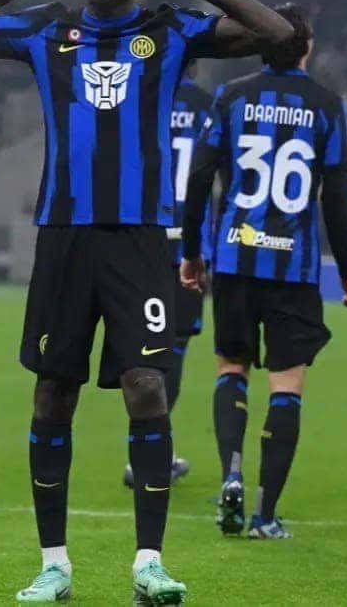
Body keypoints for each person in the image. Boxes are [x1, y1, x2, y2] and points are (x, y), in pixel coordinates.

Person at [0, 0, 293, 602]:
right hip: (63, 237)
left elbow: (277, 34)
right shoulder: (46, 29)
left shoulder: (171, 30)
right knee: (53, 393)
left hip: (139, 239)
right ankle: (54, 566)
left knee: (146, 386)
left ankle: (149, 565)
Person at [181, 3, 347, 540]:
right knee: (287, 385)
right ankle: (264, 514)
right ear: (306, 46)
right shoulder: (326, 106)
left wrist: (192, 250)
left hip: (235, 258)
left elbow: (199, 178)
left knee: (231, 368)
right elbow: (338, 197)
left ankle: (231, 475)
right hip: (294, 269)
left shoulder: (231, 96)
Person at [123, 60, 214, 489]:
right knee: (173, 350)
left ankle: (142, 453)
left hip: (137, 239)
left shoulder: (139, 99)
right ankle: (152, 454)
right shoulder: (207, 105)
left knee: (142, 349)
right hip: (184, 245)